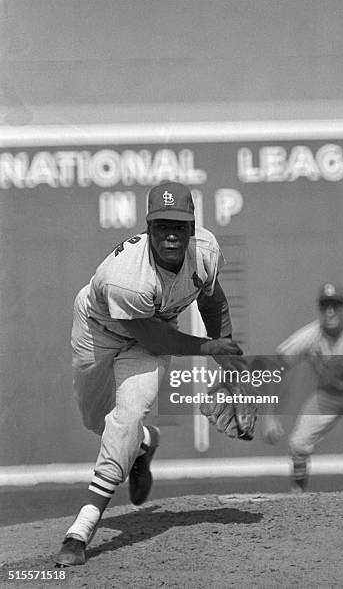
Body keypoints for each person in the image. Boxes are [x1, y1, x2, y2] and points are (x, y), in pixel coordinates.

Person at [55, 181, 245, 566]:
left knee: (125, 418)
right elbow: (154, 335)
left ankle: (81, 529)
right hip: (98, 331)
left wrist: (225, 353)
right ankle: (143, 443)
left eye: (179, 225)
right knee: (97, 421)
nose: (171, 234)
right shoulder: (126, 276)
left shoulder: (204, 251)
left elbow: (213, 300)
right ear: (148, 228)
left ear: (192, 227)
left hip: (147, 344)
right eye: (162, 226)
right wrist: (208, 348)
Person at [262, 283, 343, 494]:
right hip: (327, 397)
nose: (330, 311)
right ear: (319, 309)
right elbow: (278, 366)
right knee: (298, 443)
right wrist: (270, 415)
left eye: (336, 305)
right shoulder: (310, 335)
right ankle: (297, 493)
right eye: (326, 306)